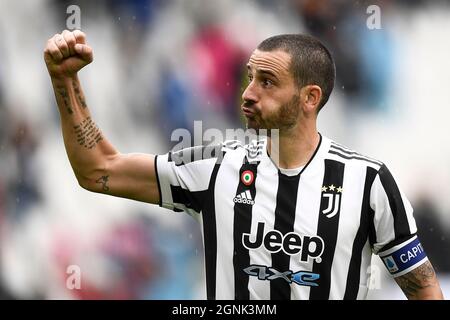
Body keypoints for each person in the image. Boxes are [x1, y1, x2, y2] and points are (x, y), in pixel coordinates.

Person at [44, 30, 443, 300]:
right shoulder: (216, 166)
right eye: (249, 77)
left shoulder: (368, 183)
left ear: (310, 98)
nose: (248, 93)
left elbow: (423, 289)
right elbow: (99, 170)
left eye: (267, 82)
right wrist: (66, 82)